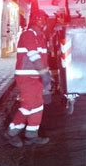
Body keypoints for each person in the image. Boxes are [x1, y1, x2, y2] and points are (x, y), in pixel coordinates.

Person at [4, 9, 52, 148]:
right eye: (42, 19)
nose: (44, 22)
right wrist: (44, 74)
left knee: (36, 107)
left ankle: (31, 136)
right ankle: (11, 133)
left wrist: (46, 74)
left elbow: (43, 58)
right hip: (27, 78)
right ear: (36, 19)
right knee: (29, 106)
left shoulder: (40, 36)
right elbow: (34, 55)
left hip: (35, 78)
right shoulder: (29, 35)